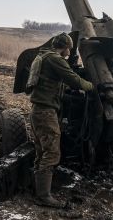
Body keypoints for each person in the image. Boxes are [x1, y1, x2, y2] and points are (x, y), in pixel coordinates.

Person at [26, 32, 94, 208]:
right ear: (64, 46)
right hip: (46, 111)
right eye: (69, 48)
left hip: (38, 110)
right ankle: (44, 196)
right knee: (52, 152)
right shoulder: (55, 59)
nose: (70, 51)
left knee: (42, 150)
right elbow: (74, 80)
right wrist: (91, 86)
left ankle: (37, 190)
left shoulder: (42, 57)